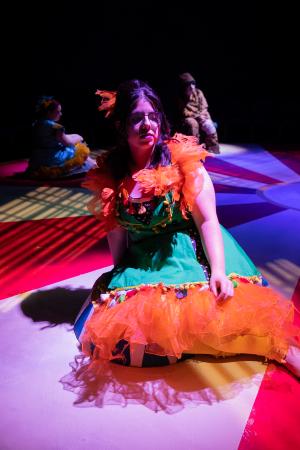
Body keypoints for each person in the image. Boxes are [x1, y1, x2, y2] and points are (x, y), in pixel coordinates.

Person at [74, 79, 300, 376]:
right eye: (137, 118)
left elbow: (207, 221)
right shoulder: (111, 173)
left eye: (153, 116)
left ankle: (281, 349)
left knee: (207, 320)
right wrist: (120, 275)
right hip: (145, 260)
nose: (147, 125)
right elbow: (115, 229)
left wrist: (218, 270)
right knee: (123, 339)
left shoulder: (183, 163)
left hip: (189, 250)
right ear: (121, 126)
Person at [27, 96, 96, 178]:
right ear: (49, 112)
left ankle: (94, 164)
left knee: (74, 140)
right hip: (52, 157)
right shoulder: (56, 127)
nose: (61, 114)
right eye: (58, 111)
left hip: (38, 157)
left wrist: (73, 136)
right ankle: (94, 166)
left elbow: (53, 138)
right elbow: (67, 142)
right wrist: (79, 137)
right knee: (79, 147)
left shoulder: (37, 124)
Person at [175, 72, 220, 154]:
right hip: (190, 117)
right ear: (184, 87)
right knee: (192, 124)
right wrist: (197, 116)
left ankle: (212, 147)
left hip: (201, 115)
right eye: (189, 85)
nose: (192, 87)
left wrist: (202, 116)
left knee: (208, 124)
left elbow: (204, 106)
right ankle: (194, 148)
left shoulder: (198, 92)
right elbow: (184, 112)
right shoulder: (180, 97)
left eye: (193, 84)